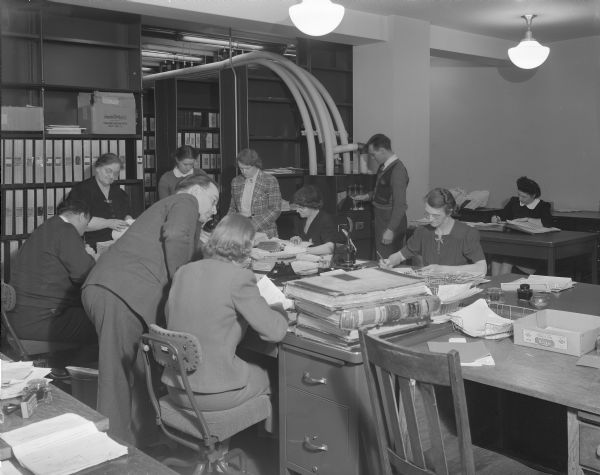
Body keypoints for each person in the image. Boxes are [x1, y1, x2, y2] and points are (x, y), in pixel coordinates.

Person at [82, 174, 219, 447]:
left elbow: (185, 244)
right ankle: (112, 449)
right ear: (195, 190)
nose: (215, 209)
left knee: (140, 373)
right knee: (116, 376)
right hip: (119, 292)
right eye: (213, 200)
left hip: (125, 295)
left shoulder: (179, 212)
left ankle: (141, 442)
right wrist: (184, 286)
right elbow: (176, 236)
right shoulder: (185, 200)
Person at [163, 214, 288, 411]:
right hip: (211, 395)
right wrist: (280, 308)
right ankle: (266, 439)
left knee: (247, 360)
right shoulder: (239, 278)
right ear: (246, 248)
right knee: (277, 373)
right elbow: (275, 333)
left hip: (176, 385)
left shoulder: (183, 272)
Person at [8, 199, 97, 346]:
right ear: (82, 216)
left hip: (19, 317)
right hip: (42, 319)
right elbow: (86, 274)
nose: (83, 231)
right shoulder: (66, 230)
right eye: (86, 225)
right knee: (106, 321)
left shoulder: (46, 227)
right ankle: (86, 367)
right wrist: (91, 257)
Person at [381, 188, 487, 275]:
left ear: (449, 212)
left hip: (456, 289)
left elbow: (481, 269)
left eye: (436, 215)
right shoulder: (423, 232)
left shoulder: (466, 233)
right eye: (427, 213)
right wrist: (390, 261)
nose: (430, 219)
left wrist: (442, 270)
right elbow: (401, 255)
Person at [68, 153, 133, 250]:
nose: (112, 176)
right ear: (97, 168)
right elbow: (76, 222)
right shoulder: (81, 190)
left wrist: (129, 221)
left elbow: (127, 214)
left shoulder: (120, 193)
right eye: (108, 171)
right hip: (89, 247)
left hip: (119, 244)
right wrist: (109, 223)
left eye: (116, 173)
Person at [359, 134, 409, 258]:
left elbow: (400, 204)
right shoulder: (384, 166)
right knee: (380, 256)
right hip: (381, 219)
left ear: (382, 150)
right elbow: (383, 191)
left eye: (373, 154)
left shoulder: (398, 170)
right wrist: (367, 196)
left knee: (387, 260)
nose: (372, 158)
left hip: (390, 220)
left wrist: (391, 230)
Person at [490, 176, 553, 275]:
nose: (520, 198)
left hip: (532, 250)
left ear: (534, 195)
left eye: (524, 197)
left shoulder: (543, 206)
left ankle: (502, 288)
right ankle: (494, 287)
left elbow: (547, 223)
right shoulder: (514, 202)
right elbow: (503, 214)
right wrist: (496, 217)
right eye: (519, 195)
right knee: (496, 258)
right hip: (513, 245)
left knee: (507, 260)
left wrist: (528, 220)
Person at [228, 148, 282, 238]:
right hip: (241, 230)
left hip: (265, 232)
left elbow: (275, 209)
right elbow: (233, 208)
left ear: (256, 165)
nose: (243, 171)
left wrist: (253, 225)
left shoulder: (269, 180)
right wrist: (227, 224)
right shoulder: (236, 181)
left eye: (247, 168)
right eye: (241, 168)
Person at [290, 185, 344, 255]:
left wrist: (304, 250)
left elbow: (330, 247)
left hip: (322, 260)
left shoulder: (325, 219)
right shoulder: (299, 218)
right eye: (297, 207)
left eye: (301, 208)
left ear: (313, 205)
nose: (297, 211)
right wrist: (296, 238)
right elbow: (297, 236)